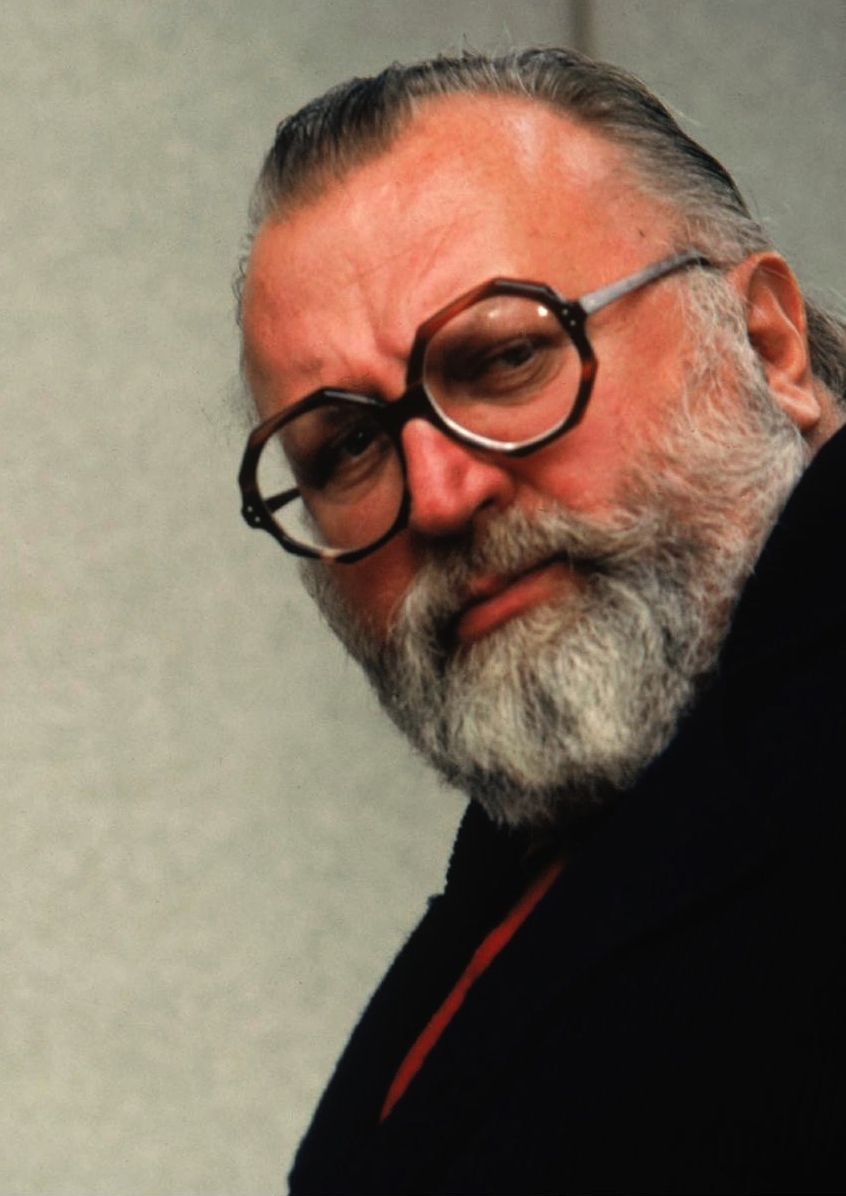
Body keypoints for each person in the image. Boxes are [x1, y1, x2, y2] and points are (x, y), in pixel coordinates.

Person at [236, 48, 846, 1195]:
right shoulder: (525, 875)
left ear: (768, 343)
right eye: (348, 445)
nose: (440, 494)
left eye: (507, 357)